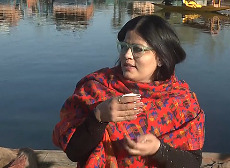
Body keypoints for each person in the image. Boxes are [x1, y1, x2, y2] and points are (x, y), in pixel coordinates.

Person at [52, 15, 205, 168]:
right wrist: (98, 117)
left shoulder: (181, 101)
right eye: (124, 46)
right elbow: (73, 153)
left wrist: (158, 150)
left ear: (160, 58)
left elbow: (193, 162)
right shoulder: (97, 89)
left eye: (138, 49)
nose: (127, 55)